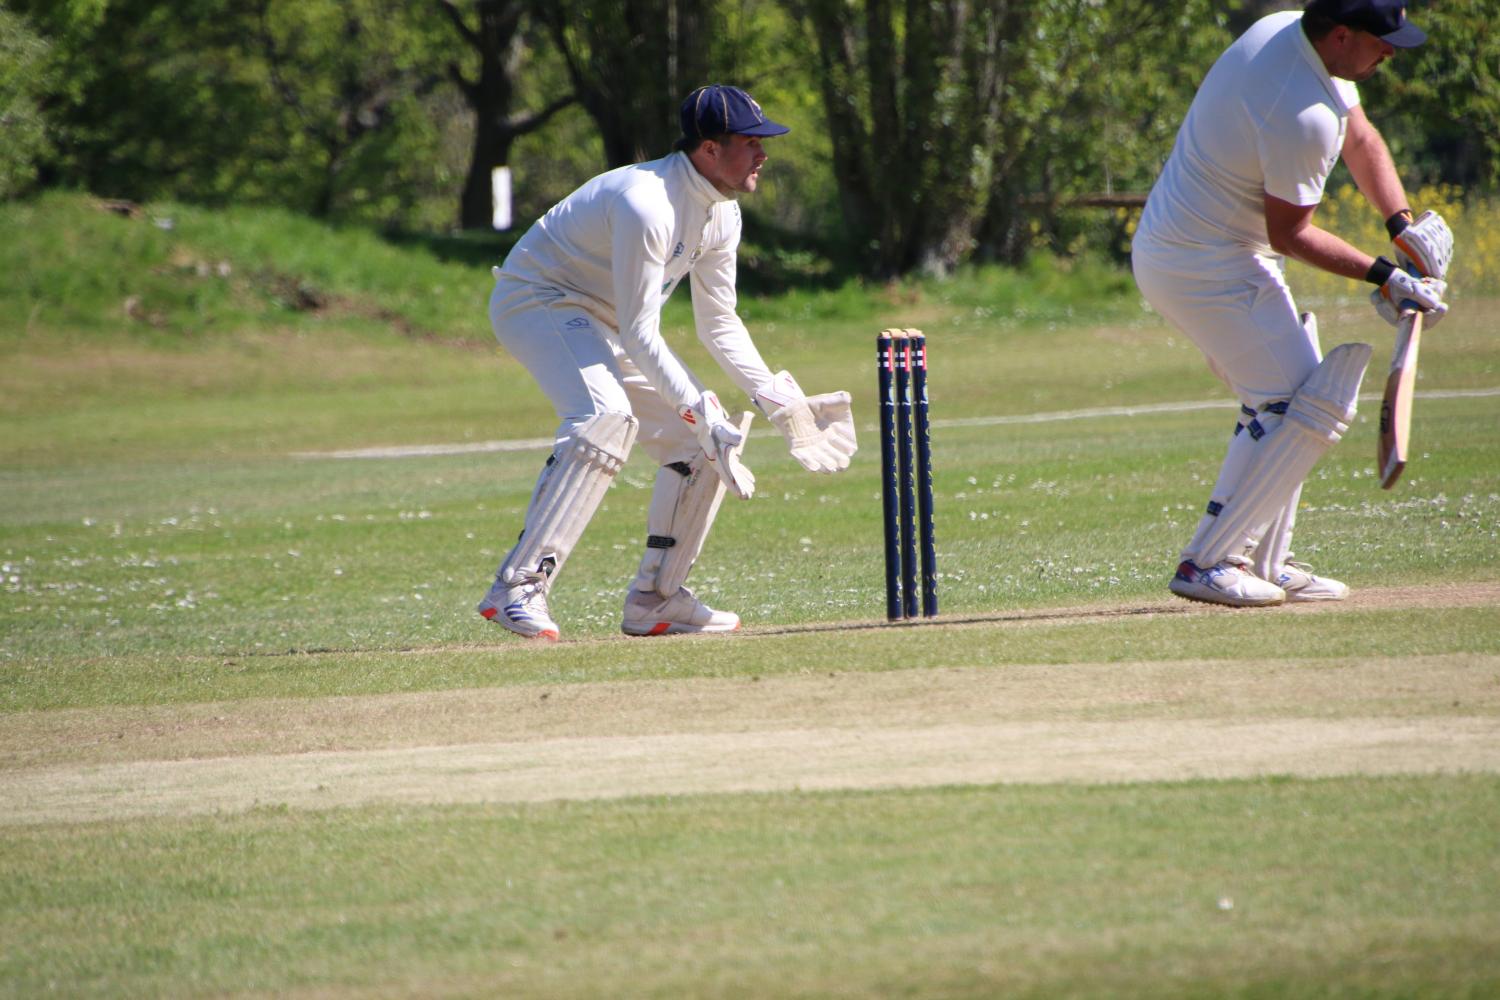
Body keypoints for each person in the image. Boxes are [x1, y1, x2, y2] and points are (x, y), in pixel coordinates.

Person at [476, 84, 858, 640]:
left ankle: (657, 599)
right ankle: (517, 588)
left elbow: (719, 323)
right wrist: (696, 405)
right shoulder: (646, 201)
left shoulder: (721, 213)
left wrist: (782, 405)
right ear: (708, 149)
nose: (763, 155)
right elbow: (639, 330)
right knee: (606, 418)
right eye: (750, 143)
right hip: (541, 299)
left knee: (701, 446)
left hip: (604, 321)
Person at [1131, 0, 1452, 608]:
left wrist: (1400, 226)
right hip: (1200, 262)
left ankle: (1266, 562)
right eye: (1382, 43)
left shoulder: (1292, 35)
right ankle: (1208, 562)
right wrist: (1387, 277)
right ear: (1340, 34)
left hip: (1209, 251)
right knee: (1300, 401)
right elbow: (1291, 234)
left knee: (1298, 396)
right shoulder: (1298, 109)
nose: (1390, 54)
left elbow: (1362, 137)